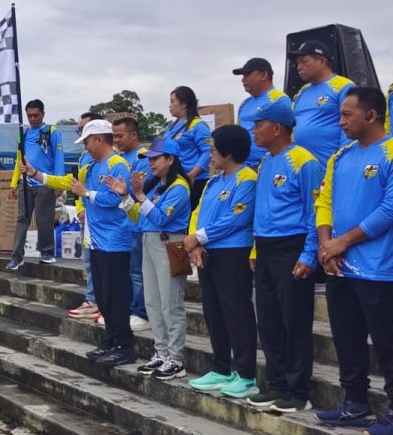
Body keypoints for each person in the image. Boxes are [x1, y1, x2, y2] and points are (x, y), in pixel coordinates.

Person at [313, 87, 393, 435]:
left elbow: (388, 209)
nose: (340, 120)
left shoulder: (390, 152)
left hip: (378, 269)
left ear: (371, 116)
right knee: (347, 339)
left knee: (388, 343)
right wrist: (326, 245)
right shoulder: (340, 156)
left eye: (347, 114)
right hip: (340, 267)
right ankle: (355, 403)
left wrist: (343, 242)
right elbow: (324, 200)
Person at [26, 119, 135, 366]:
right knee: (104, 297)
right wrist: (37, 174)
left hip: (115, 241)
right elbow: (68, 183)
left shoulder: (118, 165)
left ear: (98, 139)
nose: (85, 146)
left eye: (86, 141)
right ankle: (110, 340)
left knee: (117, 296)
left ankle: (124, 345)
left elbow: (116, 200)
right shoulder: (90, 166)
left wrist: (87, 194)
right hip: (95, 240)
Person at [245, 99, 321, 413]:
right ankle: (275, 384)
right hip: (265, 247)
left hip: (293, 246)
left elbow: (315, 212)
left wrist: (309, 253)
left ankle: (297, 390)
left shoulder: (304, 161)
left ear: (276, 128)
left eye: (259, 125)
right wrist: (254, 248)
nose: (254, 131)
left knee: (294, 321)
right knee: (269, 320)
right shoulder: (264, 162)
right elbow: (261, 209)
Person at [184, 125, 259, 399]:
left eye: (214, 149)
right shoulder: (215, 181)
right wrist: (194, 240)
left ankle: (246, 374)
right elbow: (198, 211)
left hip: (233, 253)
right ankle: (221, 367)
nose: (210, 154)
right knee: (213, 312)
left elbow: (237, 218)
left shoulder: (247, 179)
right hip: (208, 253)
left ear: (228, 151)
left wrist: (199, 237)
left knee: (236, 313)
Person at [109, 137, 191, 380]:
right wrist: (126, 198)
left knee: (170, 304)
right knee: (153, 302)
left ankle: (176, 358)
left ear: (170, 159)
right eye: (150, 159)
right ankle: (161, 352)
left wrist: (140, 196)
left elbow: (160, 219)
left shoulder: (179, 187)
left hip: (169, 243)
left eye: (156, 158)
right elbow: (139, 217)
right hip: (149, 241)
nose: (151, 163)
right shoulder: (155, 186)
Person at [8, 99, 64, 269]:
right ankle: (17, 257)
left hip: (45, 182)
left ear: (43, 114)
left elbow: (59, 158)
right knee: (21, 219)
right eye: (29, 115)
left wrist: (58, 183)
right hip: (25, 183)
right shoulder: (23, 133)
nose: (32, 119)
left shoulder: (52, 132)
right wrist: (13, 183)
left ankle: (47, 252)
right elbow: (19, 159)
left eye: (36, 115)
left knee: (44, 219)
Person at [112, 117, 151, 332]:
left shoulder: (143, 157)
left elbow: (139, 191)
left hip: (138, 223)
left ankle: (141, 311)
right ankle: (128, 308)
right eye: (114, 136)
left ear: (133, 135)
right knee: (126, 271)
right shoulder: (117, 159)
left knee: (138, 272)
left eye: (120, 136)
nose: (116, 140)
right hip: (121, 224)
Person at [290, 39, 354, 166]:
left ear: (321, 61)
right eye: (298, 63)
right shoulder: (302, 92)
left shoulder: (343, 86)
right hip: (302, 168)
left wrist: (342, 161)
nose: (299, 67)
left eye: (304, 62)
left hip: (329, 167)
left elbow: (351, 125)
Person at [68, 113, 103, 321]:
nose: (81, 135)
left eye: (84, 130)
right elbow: (78, 186)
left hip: (103, 223)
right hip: (87, 218)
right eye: (79, 129)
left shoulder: (112, 159)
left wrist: (87, 197)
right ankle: (92, 299)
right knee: (89, 262)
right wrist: (80, 207)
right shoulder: (83, 157)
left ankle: (100, 302)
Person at [165, 86, 212, 210]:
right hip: (175, 179)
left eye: (172, 101)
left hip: (195, 180)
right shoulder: (170, 127)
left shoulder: (198, 125)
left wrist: (192, 174)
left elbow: (207, 151)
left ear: (184, 103)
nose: (170, 105)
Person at [234, 57, 287, 168]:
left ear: (263, 75)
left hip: (270, 164)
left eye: (247, 75)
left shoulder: (279, 100)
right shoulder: (244, 104)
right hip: (244, 166)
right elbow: (237, 134)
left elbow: (288, 135)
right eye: (243, 76)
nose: (243, 80)